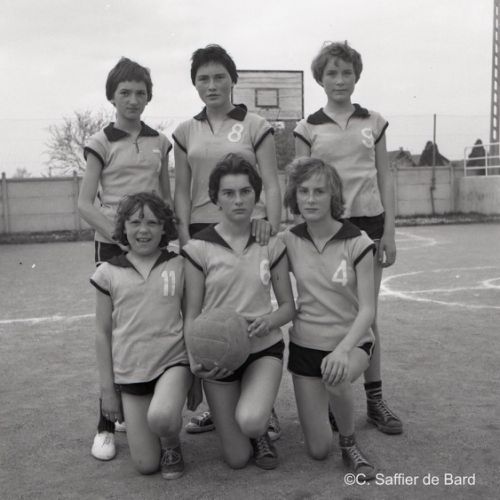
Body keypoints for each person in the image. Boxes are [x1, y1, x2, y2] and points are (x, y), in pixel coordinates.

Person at [173, 44, 283, 437]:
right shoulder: (185, 131)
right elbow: (181, 190)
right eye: (203, 78)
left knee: (247, 309)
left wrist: (269, 223)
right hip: (202, 235)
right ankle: (215, 401)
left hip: (245, 226)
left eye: (219, 76)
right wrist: (184, 236)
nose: (212, 84)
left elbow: (271, 181)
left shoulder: (255, 124)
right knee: (206, 318)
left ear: (233, 80)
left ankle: (264, 405)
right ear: (195, 85)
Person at [293, 41, 402, 435]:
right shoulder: (307, 128)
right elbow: (301, 181)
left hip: (368, 226)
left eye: (346, 73)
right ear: (320, 79)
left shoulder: (374, 121)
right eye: (332, 73)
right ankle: (331, 399)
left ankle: (375, 399)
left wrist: (388, 231)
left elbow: (385, 176)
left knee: (368, 315)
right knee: (330, 313)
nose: (339, 80)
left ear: (356, 76)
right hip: (327, 230)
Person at [78, 57, 173, 460]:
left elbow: (164, 198)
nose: (133, 100)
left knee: (152, 324)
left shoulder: (160, 142)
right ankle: (105, 423)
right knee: (116, 330)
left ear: (148, 97)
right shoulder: (100, 142)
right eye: (125, 93)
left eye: (140, 93)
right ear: (112, 96)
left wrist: (160, 237)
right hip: (115, 246)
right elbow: (85, 204)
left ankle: (144, 404)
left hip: (152, 244)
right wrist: (122, 236)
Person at [181, 154, 295, 470]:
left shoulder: (270, 242)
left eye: (245, 191)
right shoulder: (198, 248)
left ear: (256, 195)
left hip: (262, 350)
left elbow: (289, 307)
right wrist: (194, 361)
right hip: (218, 356)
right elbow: (191, 313)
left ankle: (258, 428)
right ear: (215, 198)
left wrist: (269, 320)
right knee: (237, 458)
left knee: (251, 422)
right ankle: (230, 419)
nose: (238, 200)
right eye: (228, 193)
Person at [90, 192, 197, 479]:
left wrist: (196, 376)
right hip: (131, 372)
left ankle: (171, 443)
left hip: (173, 363)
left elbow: (191, 319)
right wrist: (108, 390)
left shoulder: (179, 265)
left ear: (164, 228)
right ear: (123, 227)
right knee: (146, 465)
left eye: (152, 222)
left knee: (161, 417)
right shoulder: (108, 272)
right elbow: (102, 333)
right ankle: (159, 434)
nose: (143, 230)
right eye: (135, 222)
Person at [282, 157, 377, 479]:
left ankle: (349, 443)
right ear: (294, 195)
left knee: (336, 376)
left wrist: (342, 350)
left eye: (319, 191)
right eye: (303, 191)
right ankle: (328, 408)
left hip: (349, 344)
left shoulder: (358, 242)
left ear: (333, 195)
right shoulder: (288, 240)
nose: (310, 199)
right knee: (319, 450)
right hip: (306, 346)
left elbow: (368, 310)